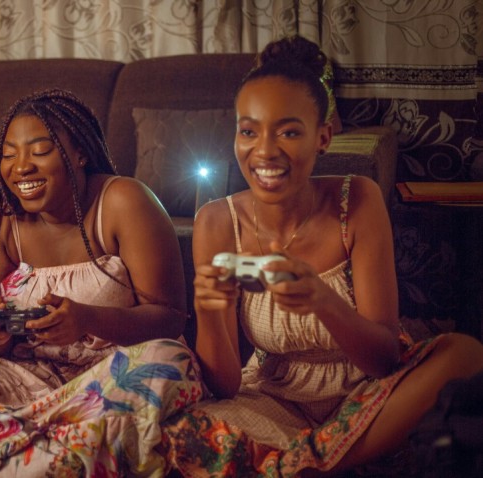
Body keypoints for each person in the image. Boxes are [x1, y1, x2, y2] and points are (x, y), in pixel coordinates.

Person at [161, 36, 483, 476]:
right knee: (181, 433)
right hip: (275, 400)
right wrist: (208, 308)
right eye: (249, 131)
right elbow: (224, 384)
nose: (265, 151)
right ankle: (325, 461)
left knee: (464, 353)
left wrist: (322, 300)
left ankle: (300, 463)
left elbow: (384, 359)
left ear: (323, 137)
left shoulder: (357, 200)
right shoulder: (216, 221)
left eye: (289, 131)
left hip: (370, 394)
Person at [0, 88, 201, 476]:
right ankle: (35, 454)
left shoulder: (123, 201)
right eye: (9, 154)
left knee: (169, 361)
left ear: (79, 153)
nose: (21, 167)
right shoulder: (0, 215)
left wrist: (88, 320)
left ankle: (9, 457)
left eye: (40, 150)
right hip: (30, 378)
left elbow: (170, 319)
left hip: (113, 375)